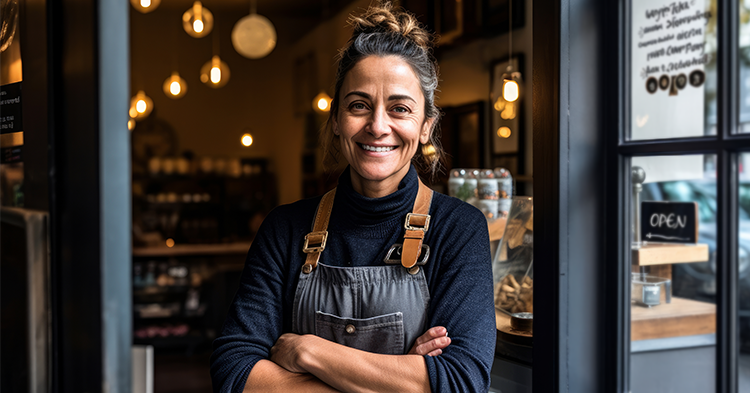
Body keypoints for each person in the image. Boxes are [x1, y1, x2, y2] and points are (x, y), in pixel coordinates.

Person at [210, 2, 496, 392]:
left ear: (426, 126)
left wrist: (308, 352)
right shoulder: (285, 228)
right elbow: (234, 371)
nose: (378, 126)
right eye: (359, 105)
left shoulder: (458, 229)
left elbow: (461, 381)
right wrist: (400, 376)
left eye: (400, 109)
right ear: (337, 120)